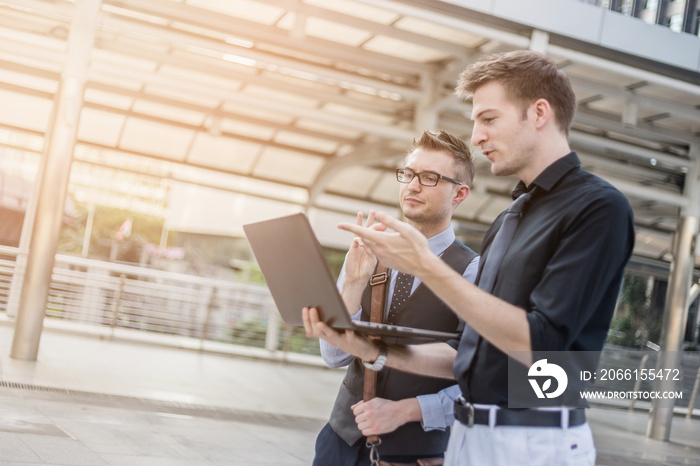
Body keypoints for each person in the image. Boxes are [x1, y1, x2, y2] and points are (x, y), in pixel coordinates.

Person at [304, 50, 635, 465]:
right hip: (468, 436)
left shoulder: (599, 207)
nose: (476, 136)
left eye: (489, 119)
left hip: (532, 442)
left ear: (538, 113)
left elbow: (541, 345)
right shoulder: (510, 218)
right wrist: (368, 349)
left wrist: (425, 265)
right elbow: (470, 354)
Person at [313, 130, 480, 466]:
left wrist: (404, 411)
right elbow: (334, 356)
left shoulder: (472, 270)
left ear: (460, 193)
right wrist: (353, 284)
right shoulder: (369, 248)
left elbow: (479, 376)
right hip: (339, 442)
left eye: (430, 177)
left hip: (413, 455)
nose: (413, 185)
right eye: (408, 173)